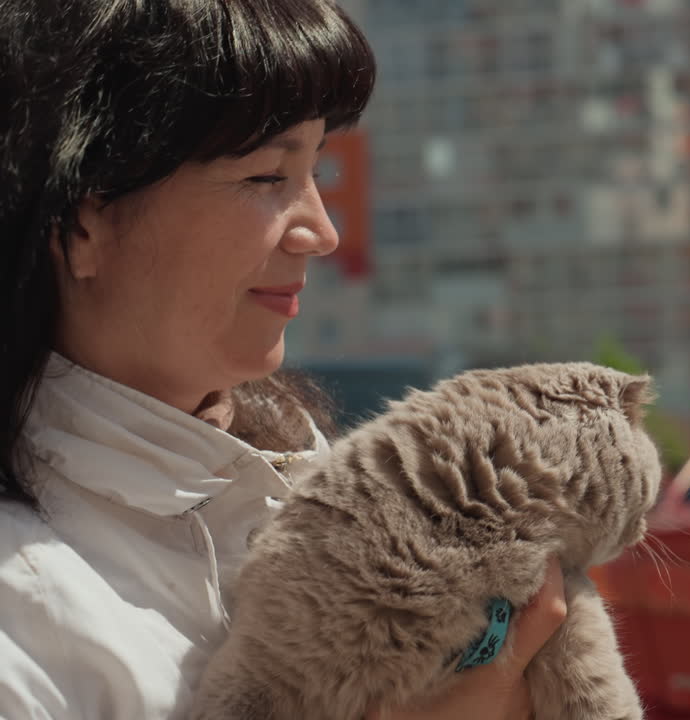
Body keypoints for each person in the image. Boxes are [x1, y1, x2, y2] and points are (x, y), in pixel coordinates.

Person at [0, 1, 567, 718]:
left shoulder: (301, 473)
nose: (322, 231)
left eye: (315, 169)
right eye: (268, 176)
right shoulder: (26, 616)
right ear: (81, 224)